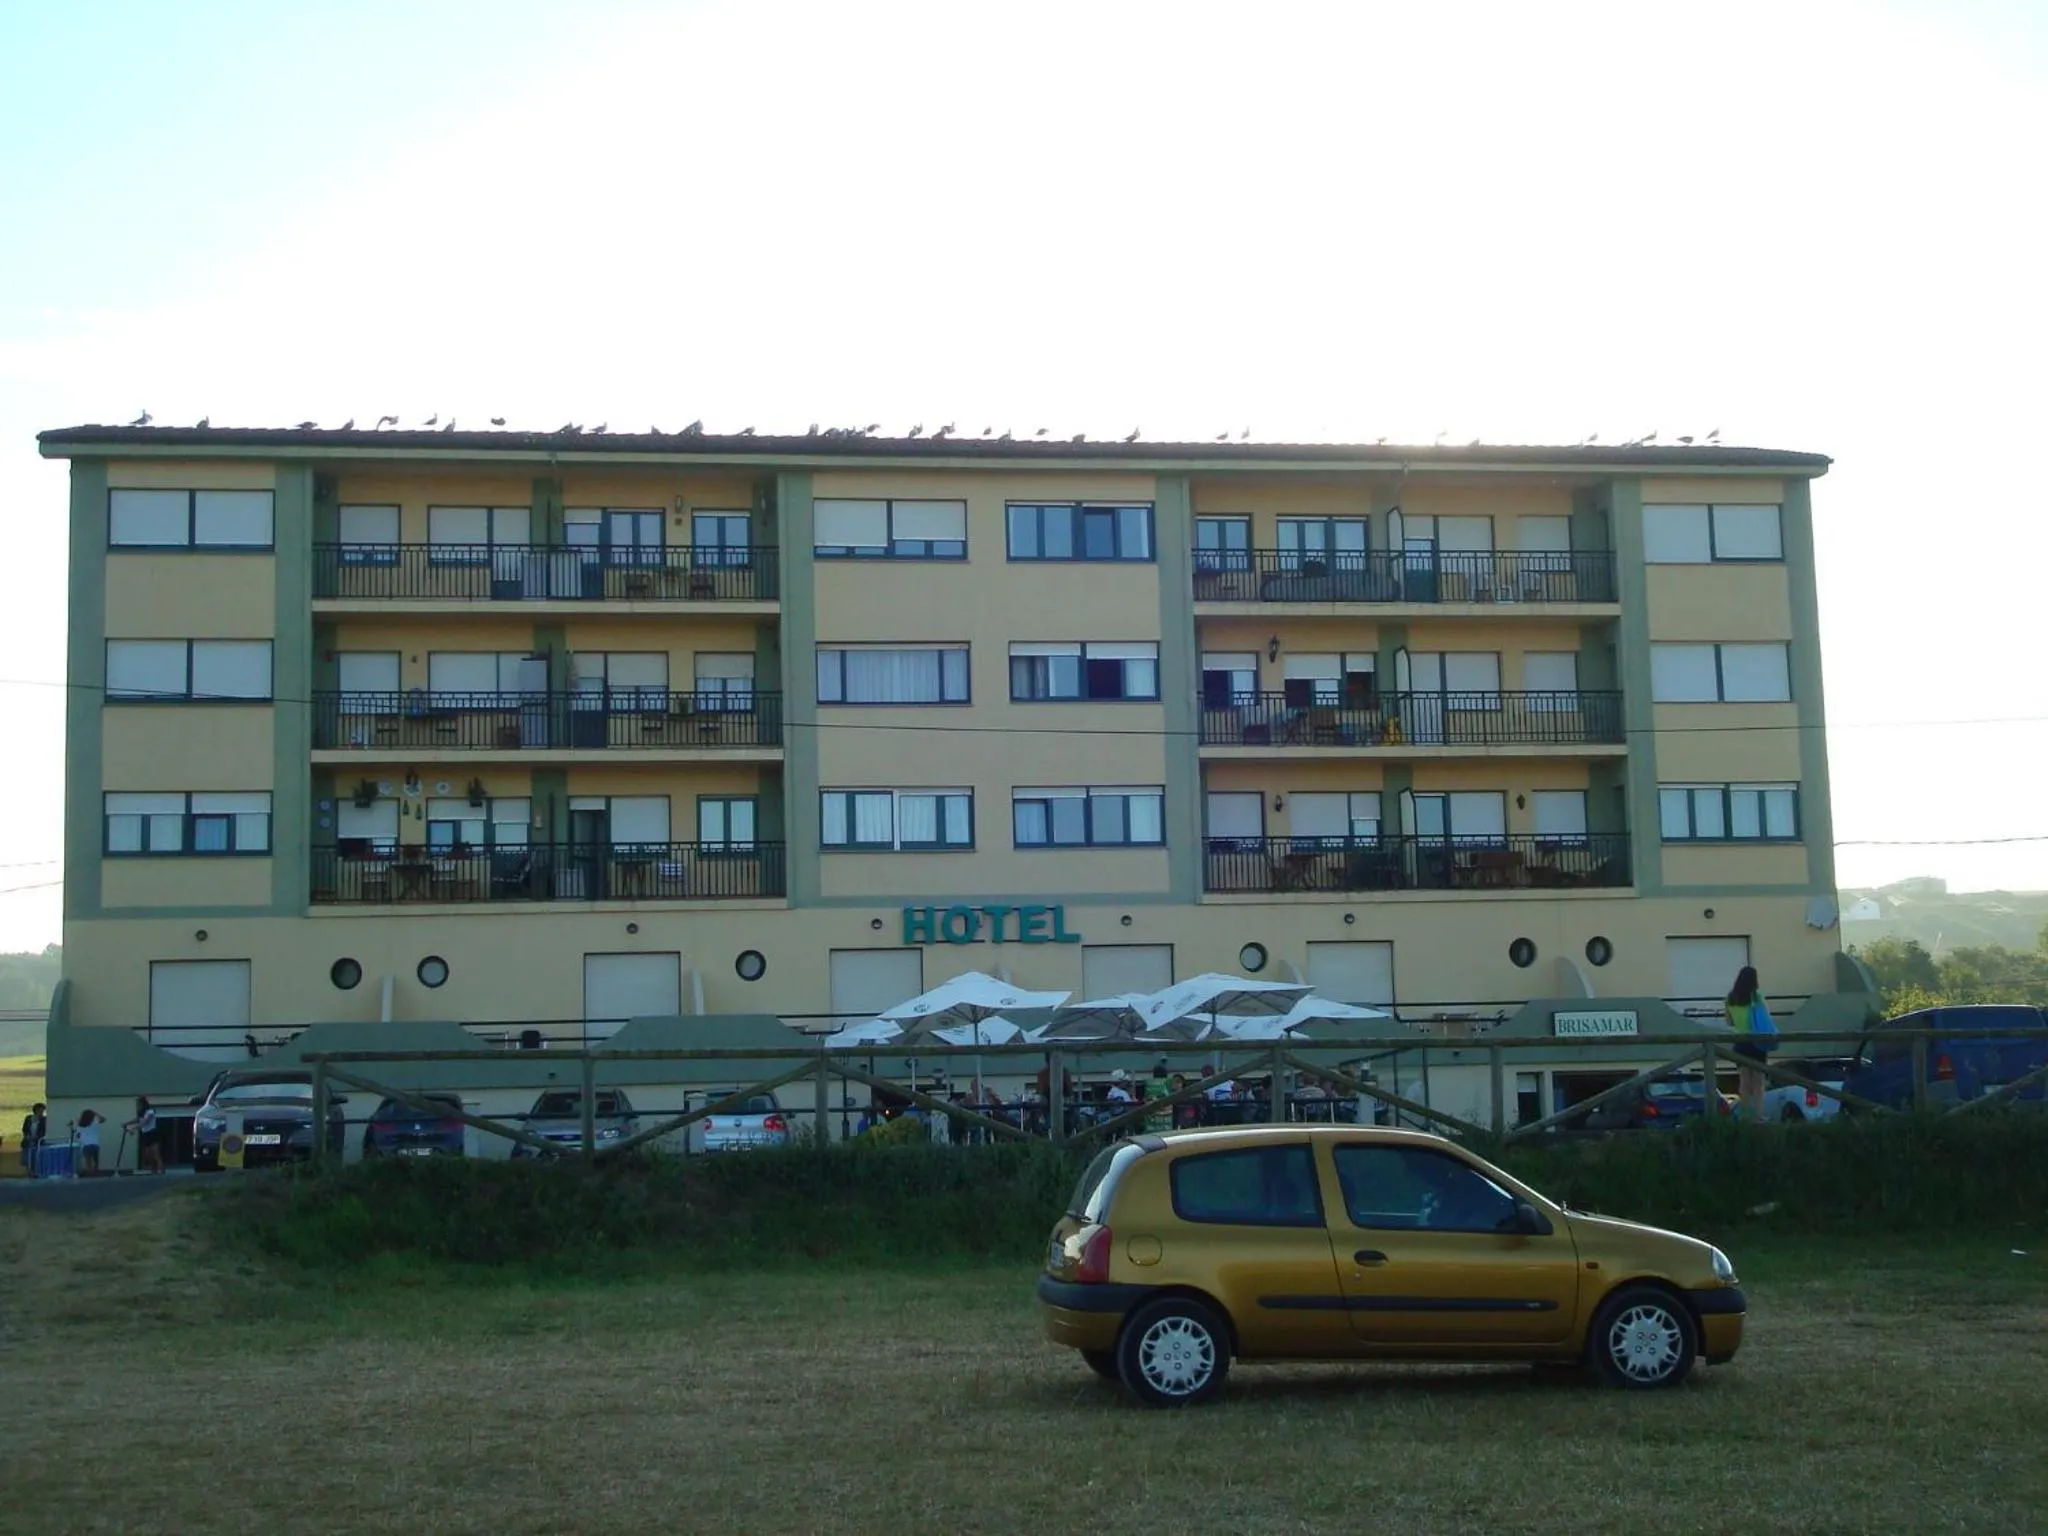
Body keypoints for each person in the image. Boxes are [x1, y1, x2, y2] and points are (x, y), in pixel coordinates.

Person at [1725, 965, 1779, 1119]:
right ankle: (1760, 1115)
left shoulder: (1730, 998)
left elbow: (1729, 1022)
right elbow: (1766, 1018)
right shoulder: (1756, 997)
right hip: (1757, 1042)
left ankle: (1745, 1115)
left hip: (1740, 1042)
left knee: (1744, 1082)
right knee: (1758, 1083)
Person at [127, 1096, 163, 1174]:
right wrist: (127, 1123)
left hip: (152, 1133)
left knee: (155, 1154)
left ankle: (161, 1170)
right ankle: (154, 1170)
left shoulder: (150, 1112)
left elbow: (144, 1122)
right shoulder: (142, 1113)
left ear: (143, 1104)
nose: (138, 1106)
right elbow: (137, 1119)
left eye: (139, 1104)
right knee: (148, 1155)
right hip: (145, 1134)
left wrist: (132, 1128)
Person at [20, 1102, 48, 1178]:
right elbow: (24, 1129)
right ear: (36, 1110)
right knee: (27, 1157)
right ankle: (29, 1172)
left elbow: (43, 1131)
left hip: (38, 1142)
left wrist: (36, 1137)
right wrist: (27, 1136)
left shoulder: (44, 1120)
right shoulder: (28, 1118)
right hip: (27, 1140)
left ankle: (35, 1172)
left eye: (43, 1111)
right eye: (40, 1111)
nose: (42, 1113)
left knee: (36, 1157)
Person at [77, 1108, 101, 1174]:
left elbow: (78, 1135)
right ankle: (95, 1174)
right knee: (96, 1162)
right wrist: (95, 1113)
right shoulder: (94, 1123)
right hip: (95, 1145)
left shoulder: (80, 1125)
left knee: (88, 1163)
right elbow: (103, 1119)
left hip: (85, 1145)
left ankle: (89, 1175)